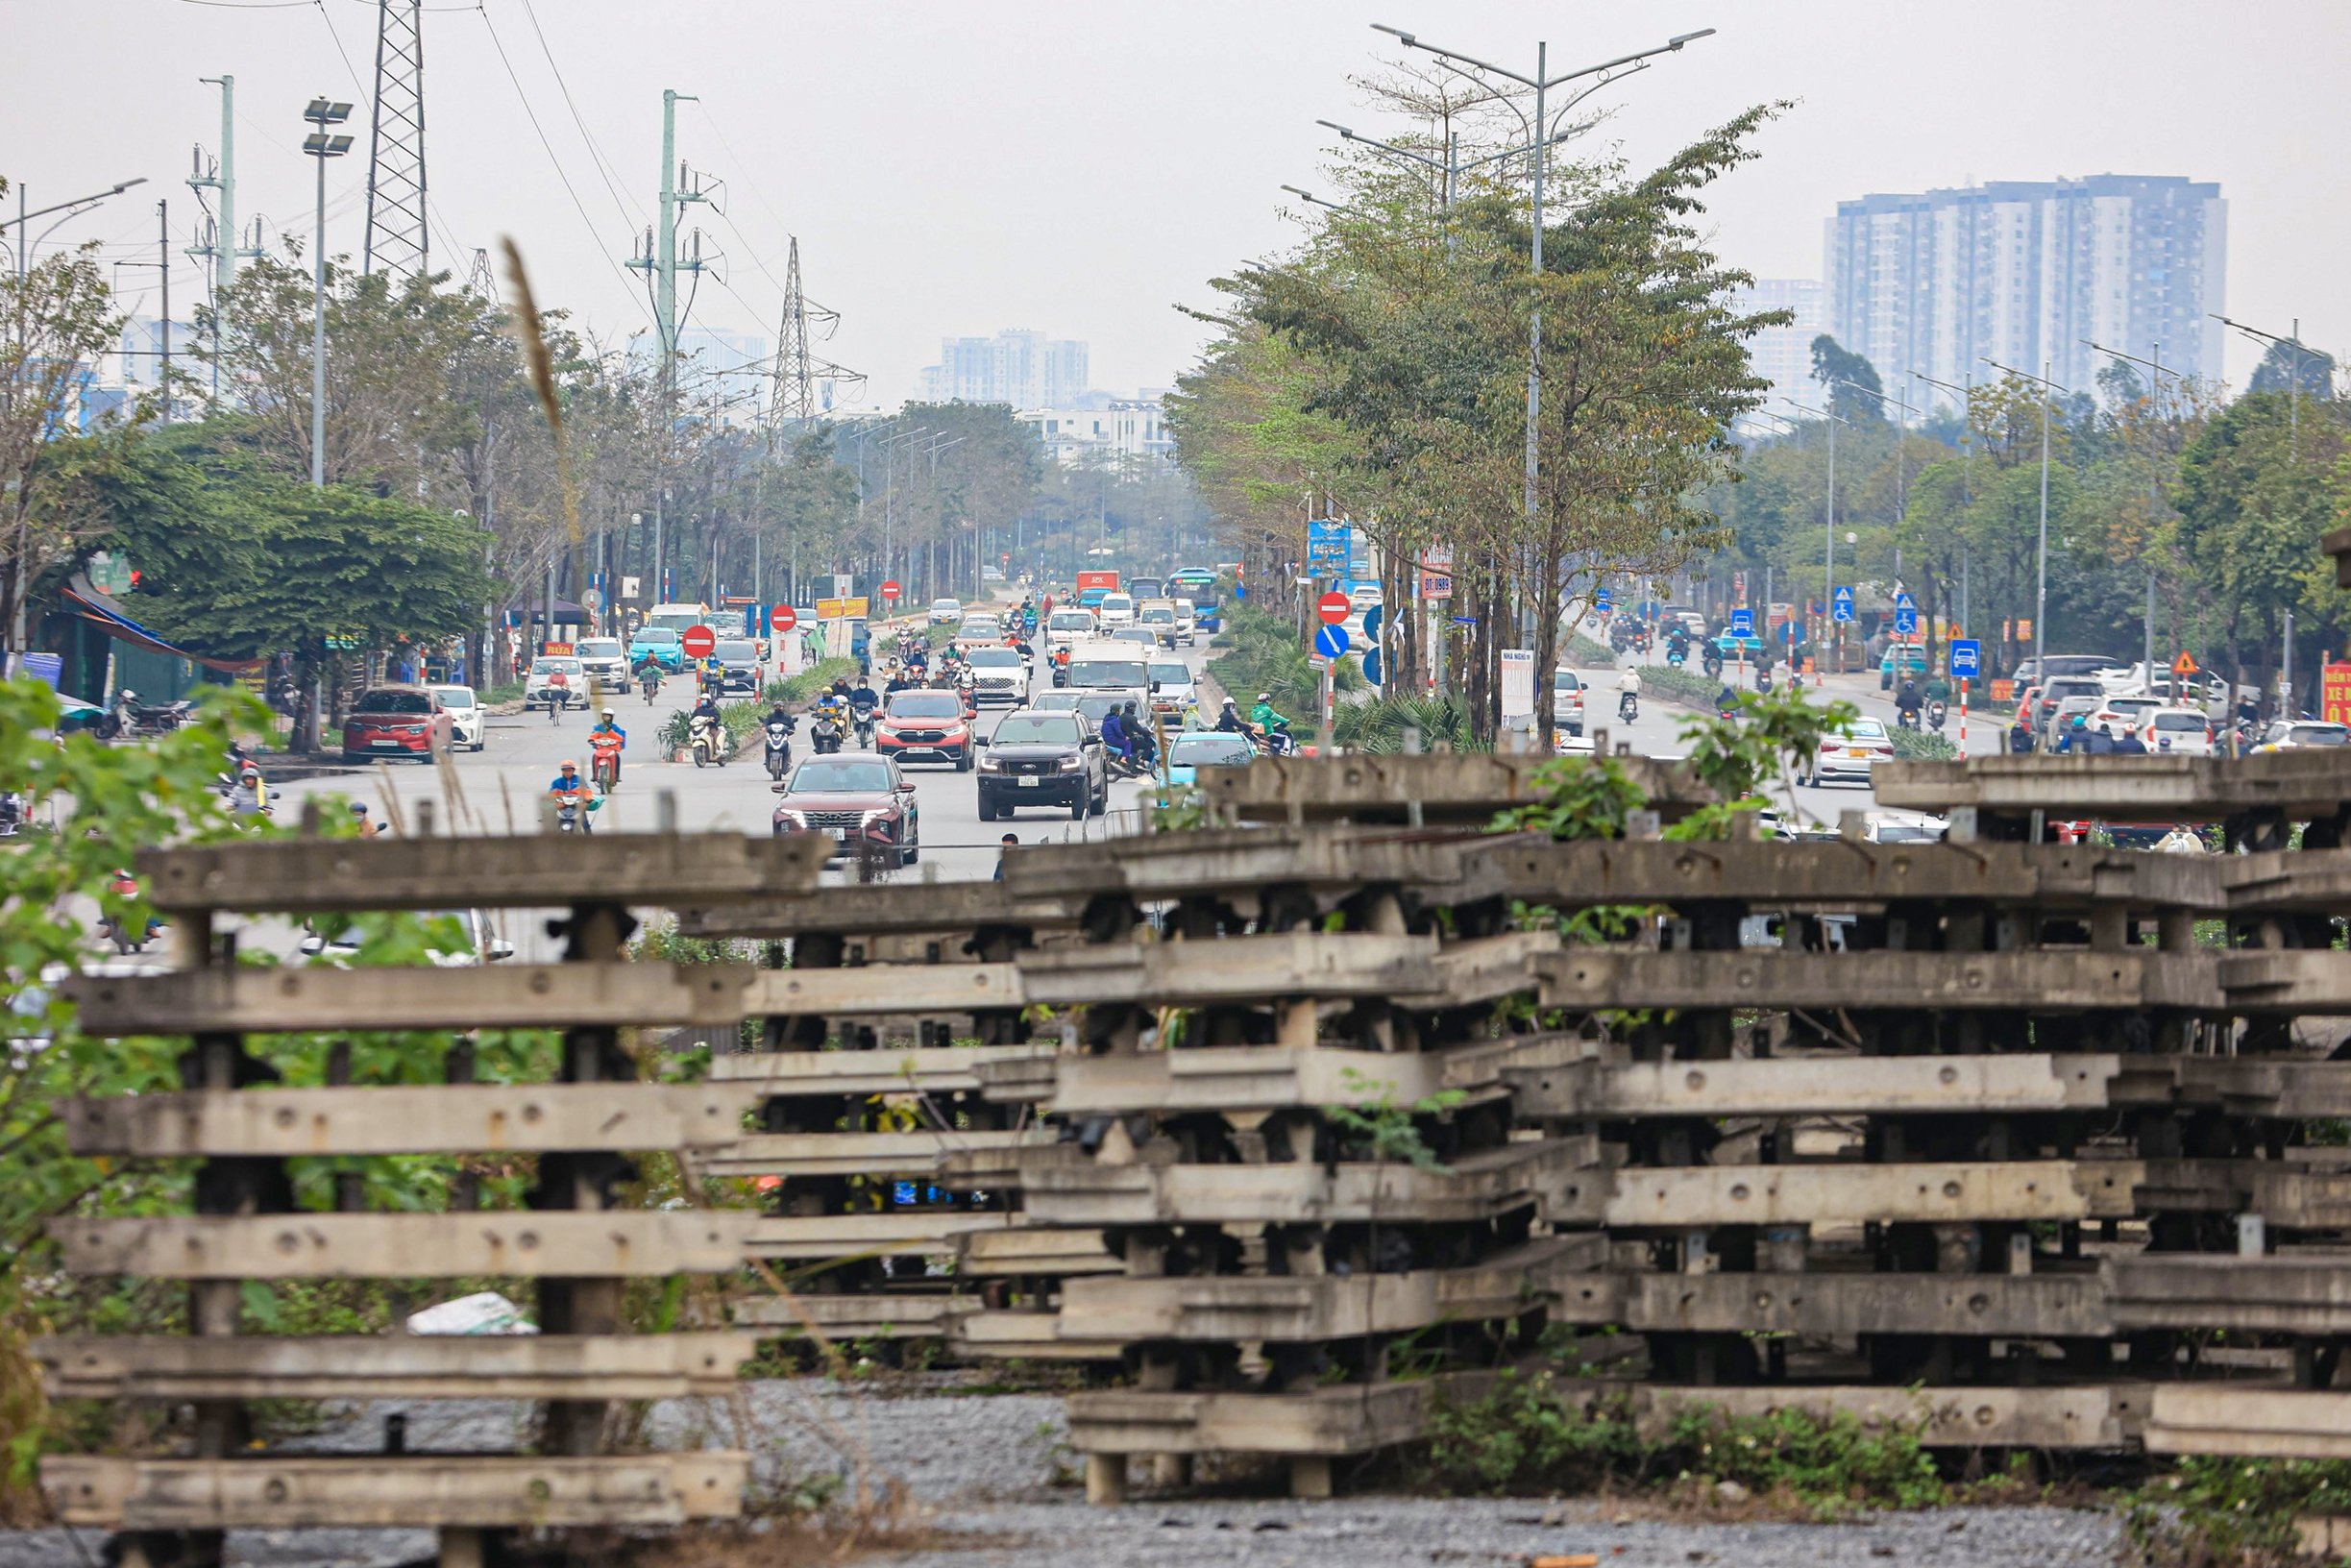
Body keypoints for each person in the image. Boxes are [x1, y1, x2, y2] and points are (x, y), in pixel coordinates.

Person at [589, 708, 627, 787]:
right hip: (601, 748)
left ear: (611, 717)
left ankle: (616, 775)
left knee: (617, 757)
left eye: (608, 716)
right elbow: (594, 735)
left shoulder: (615, 728)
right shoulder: (598, 728)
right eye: (605, 716)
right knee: (594, 756)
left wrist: (618, 740)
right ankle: (594, 775)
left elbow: (619, 737)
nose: (606, 718)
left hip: (612, 749)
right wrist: (591, 740)